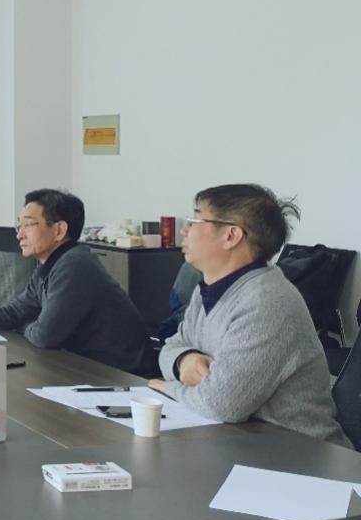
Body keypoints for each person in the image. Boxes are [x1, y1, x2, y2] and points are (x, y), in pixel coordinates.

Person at [149, 184, 350, 447]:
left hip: (299, 452)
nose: (184, 230)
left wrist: (167, 387)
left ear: (231, 235)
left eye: (195, 221)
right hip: (237, 442)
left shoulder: (267, 301)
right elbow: (170, 347)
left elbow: (221, 404)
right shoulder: (208, 287)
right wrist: (182, 361)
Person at [0, 189, 154, 375]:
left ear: (59, 230)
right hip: (86, 368)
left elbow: (44, 336)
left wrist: (25, 325)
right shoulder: (51, 264)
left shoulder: (75, 266)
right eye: (19, 226)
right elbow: (15, 312)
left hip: (122, 377)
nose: (19, 235)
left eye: (29, 225)